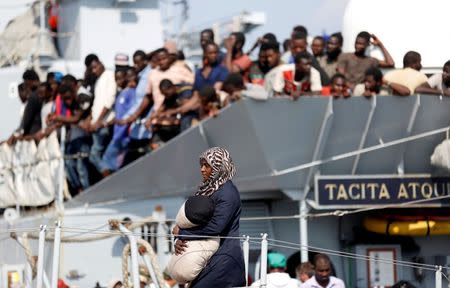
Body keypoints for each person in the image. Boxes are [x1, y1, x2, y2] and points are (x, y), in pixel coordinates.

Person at [173, 147, 245, 288]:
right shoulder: (210, 189)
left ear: (219, 167)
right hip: (208, 257)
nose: (202, 170)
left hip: (223, 259)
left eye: (207, 165)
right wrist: (181, 239)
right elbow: (197, 221)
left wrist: (182, 233)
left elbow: (216, 226)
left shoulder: (227, 193)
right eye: (201, 165)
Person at [167, 195, 218, 284]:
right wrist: (178, 238)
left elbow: (216, 228)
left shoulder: (226, 194)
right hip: (187, 272)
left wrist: (181, 234)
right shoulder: (203, 190)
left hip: (215, 265)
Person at [100, 67, 137, 176]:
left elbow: (130, 113)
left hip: (123, 135)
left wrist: (123, 130)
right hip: (118, 134)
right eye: (116, 79)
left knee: (107, 162)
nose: (119, 81)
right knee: (116, 164)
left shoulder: (131, 92)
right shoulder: (121, 93)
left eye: (121, 78)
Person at [87, 55, 117, 174]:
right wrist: (91, 120)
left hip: (103, 123)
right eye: (92, 69)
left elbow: (109, 101)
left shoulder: (109, 75)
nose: (94, 70)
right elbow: (97, 103)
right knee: (99, 155)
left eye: (95, 67)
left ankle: (109, 178)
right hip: (96, 123)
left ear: (101, 63)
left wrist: (99, 121)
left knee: (94, 155)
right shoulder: (99, 79)